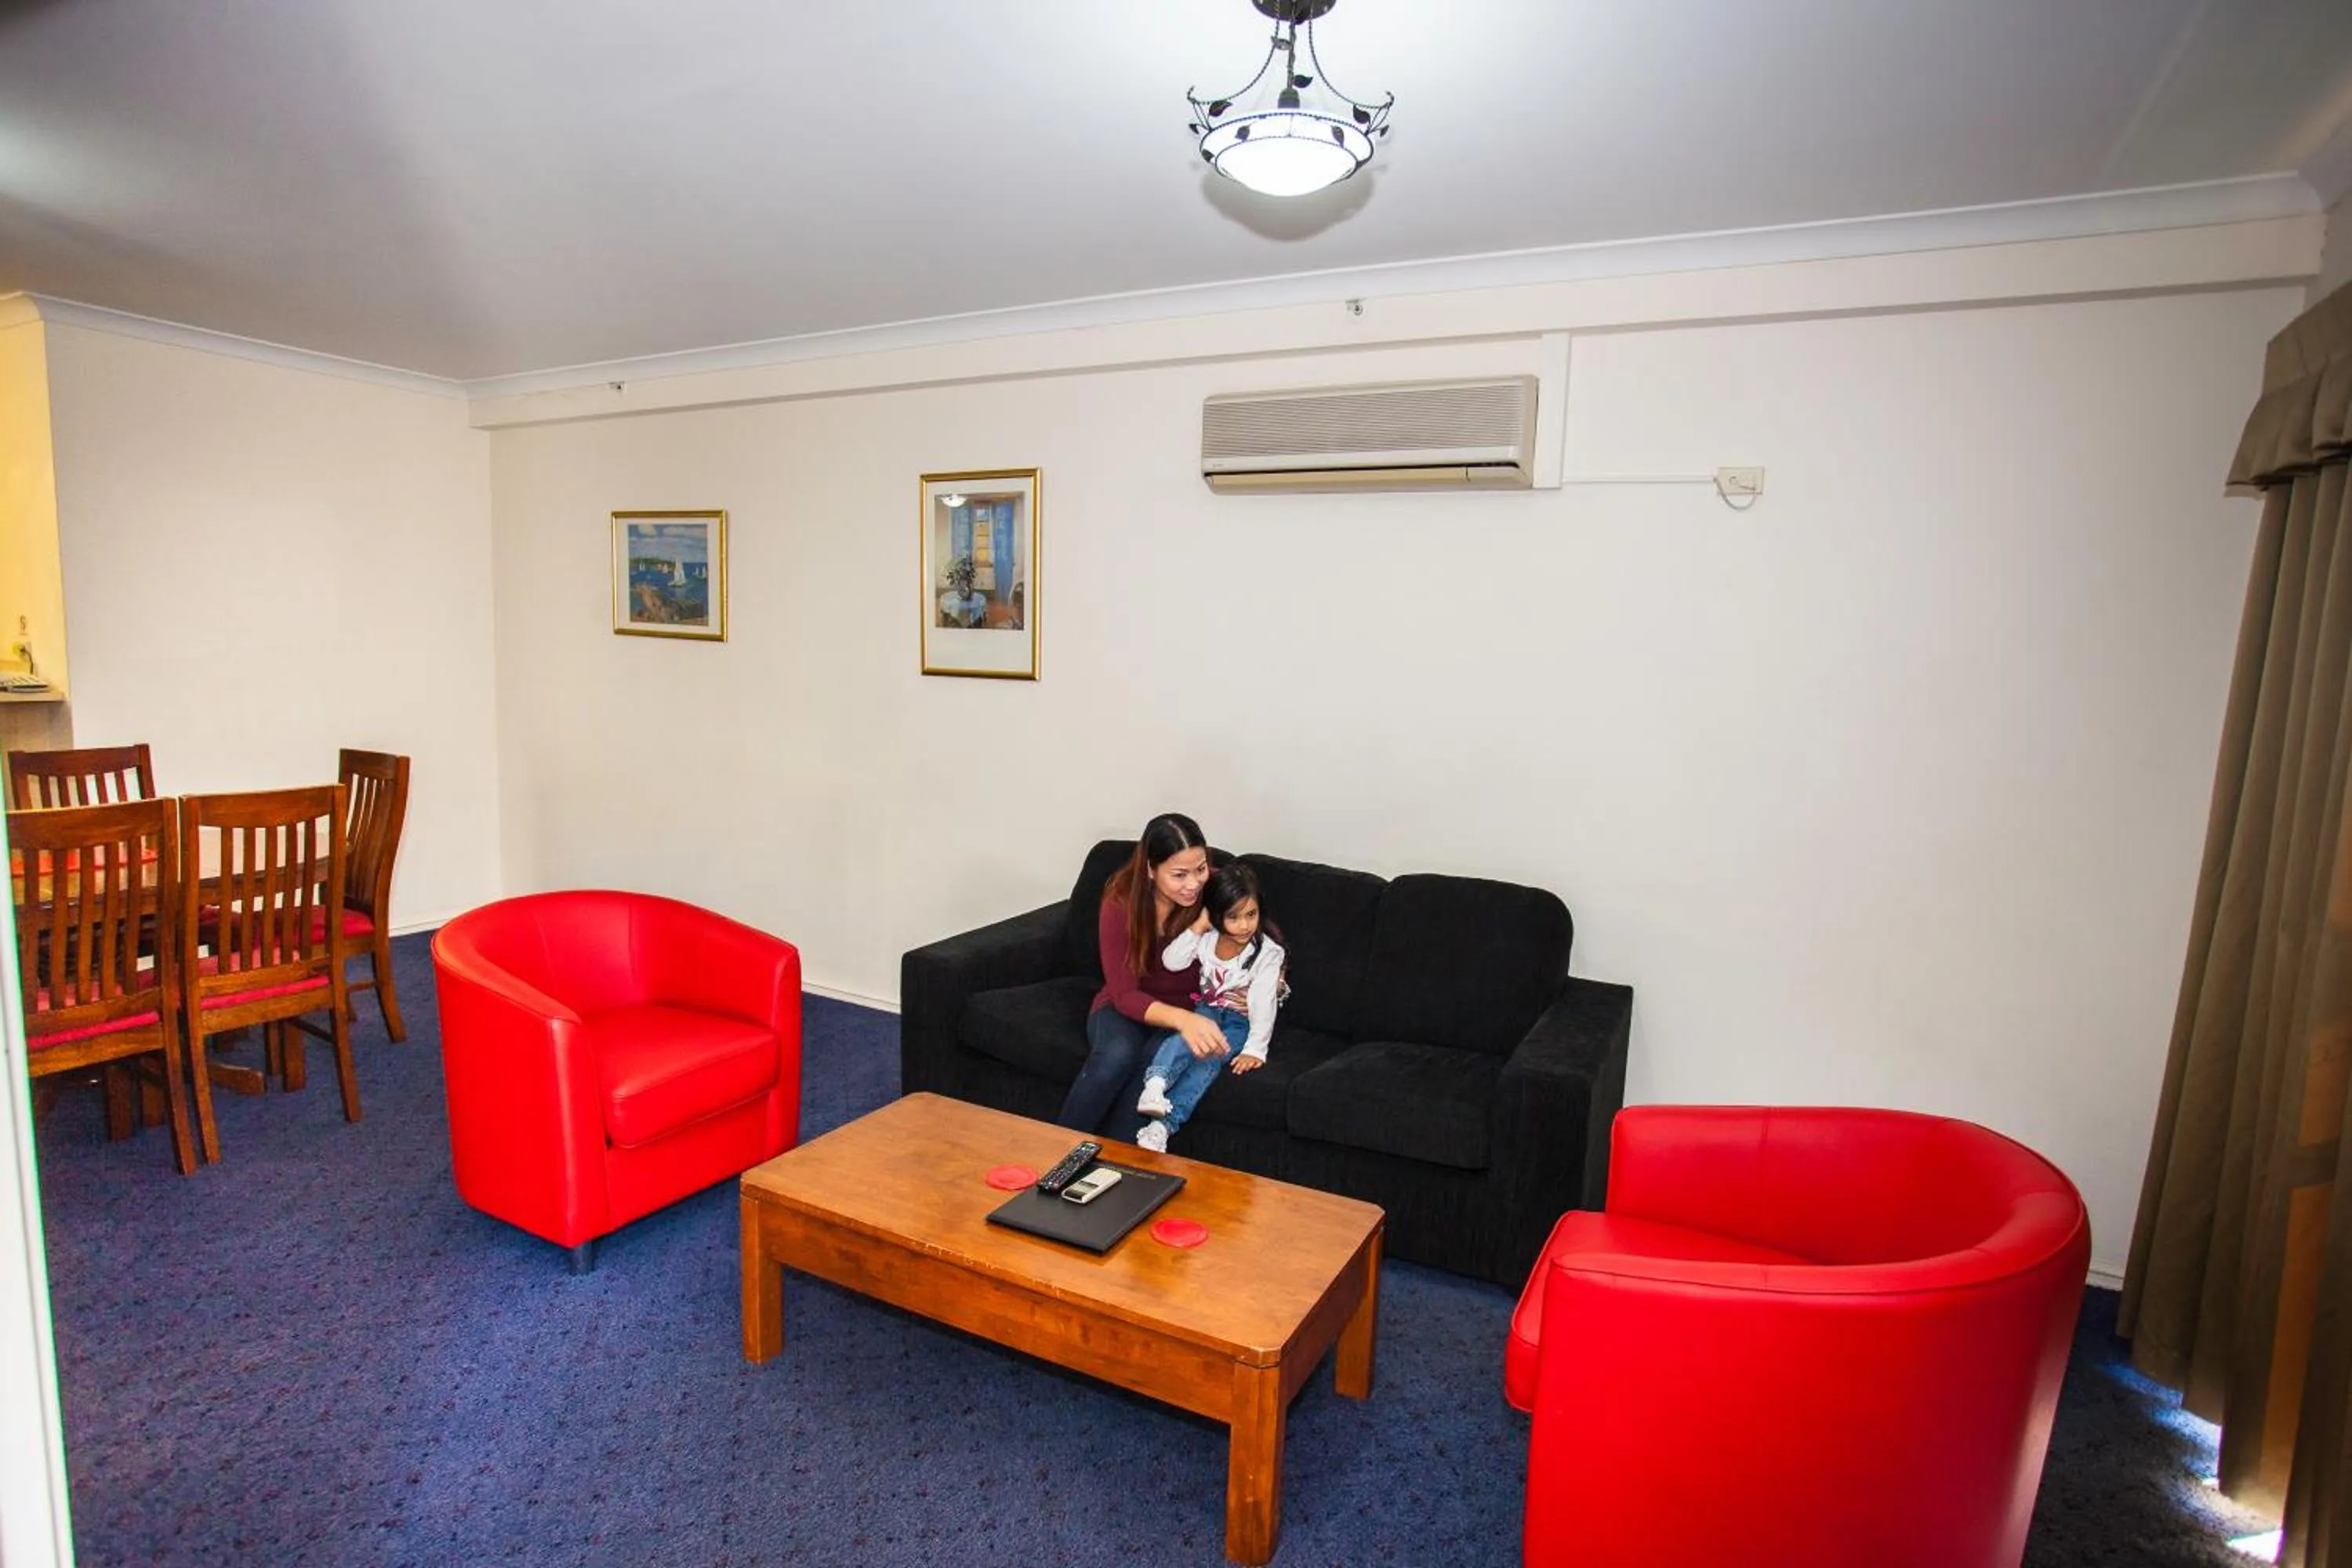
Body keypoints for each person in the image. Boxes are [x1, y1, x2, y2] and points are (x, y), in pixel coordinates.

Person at [1056, 812, 1231, 1138]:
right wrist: (1182, 1021)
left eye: (1201, 868)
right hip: (1127, 1008)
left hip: (1192, 1009)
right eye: (1179, 875)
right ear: (1151, 869)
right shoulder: (1121, 900)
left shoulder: (1218, 889)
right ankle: (1060, 1154)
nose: (1194, 883)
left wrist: (1272, 975)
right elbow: (1124, 995)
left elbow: (1264, 933)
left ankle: (1115, 1168)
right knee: (1115, 1056)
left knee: (1155, 1068)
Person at [1134, 863, 1284, 1153]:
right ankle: (1154, 1085)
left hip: (1239, 1022)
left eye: (1251, 915)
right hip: (1206, 1010)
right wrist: (1198, 926)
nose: (1244, 925)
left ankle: (1163, 1127)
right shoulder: (1207, 938)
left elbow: (1264, 1003)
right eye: (1233, 917)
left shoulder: (1267, 953)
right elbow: (1172, 961)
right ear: (1216, 916)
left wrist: (1256, 1049)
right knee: (1184, 1038)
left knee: (1209, 1061)